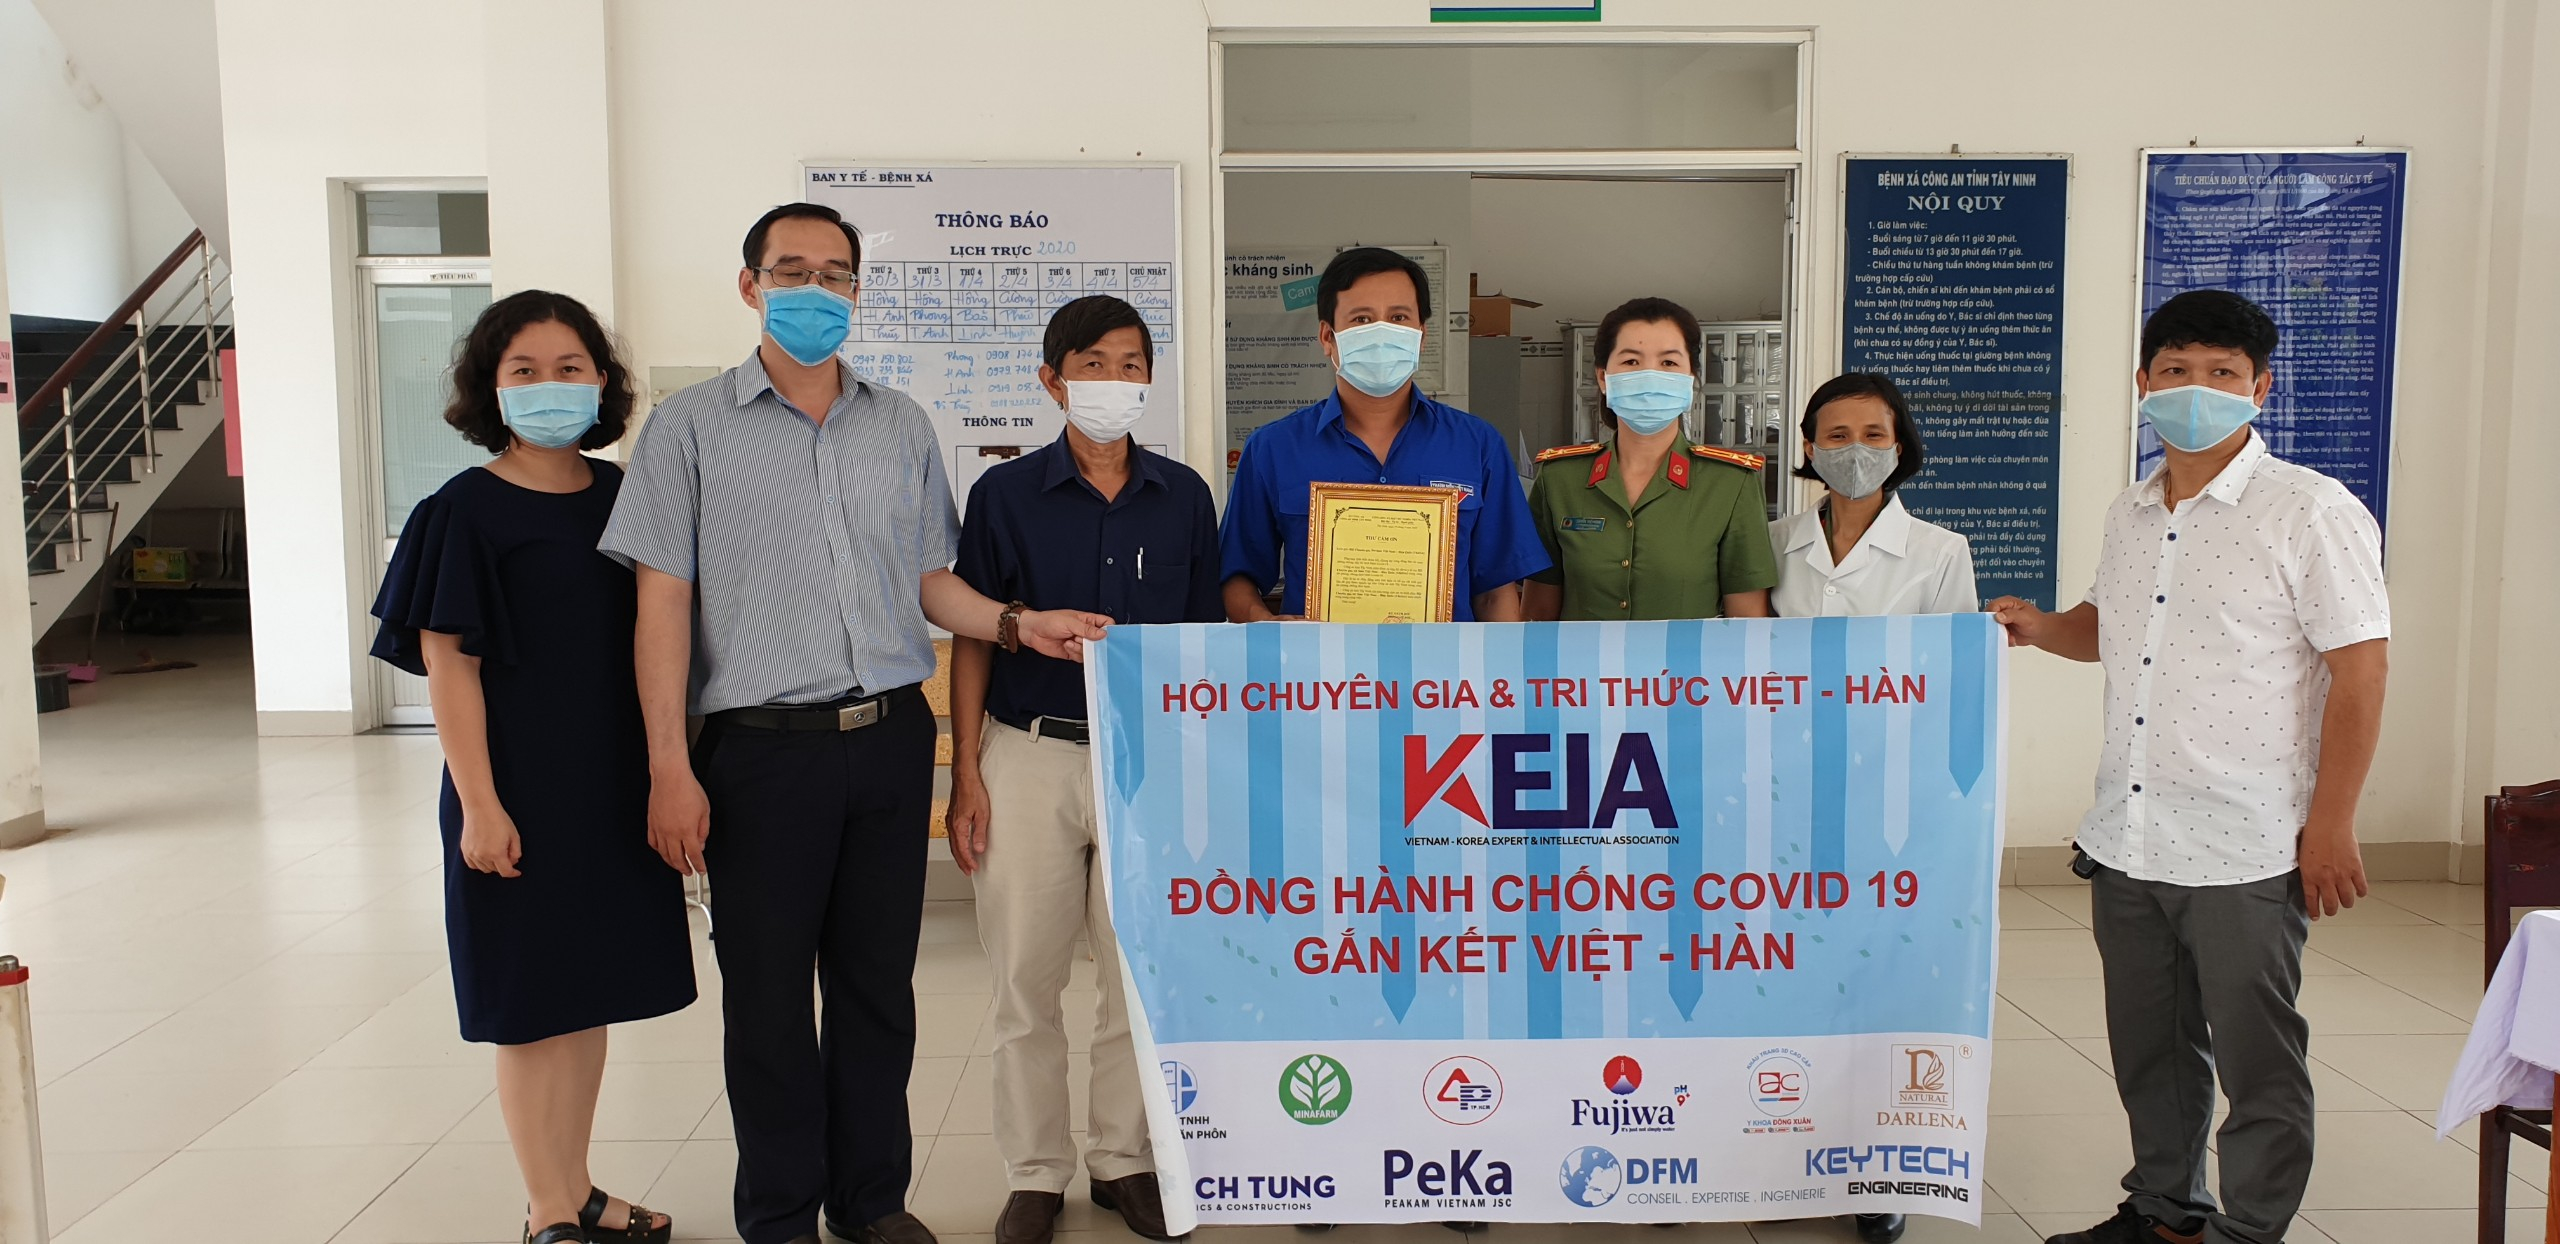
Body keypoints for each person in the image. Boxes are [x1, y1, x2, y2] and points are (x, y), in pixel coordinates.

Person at [599, 203, 1110, 1244]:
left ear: (857, 291)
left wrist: (1019, 622)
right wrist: (668, 766)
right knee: (769, 999)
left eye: (835, 274)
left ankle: (872, 1199)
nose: (816, 290)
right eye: (792, 270)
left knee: (878, 988)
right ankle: (782, 1211)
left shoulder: (900, 424)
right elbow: (660, 605)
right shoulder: (687, 428)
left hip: (886, 742)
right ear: (750, 285)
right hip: (757, 752)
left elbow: (930, 582)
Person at [1990, 290, 2389, 1244]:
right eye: (2176, 370)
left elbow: (2362, 670)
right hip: (2128, 835)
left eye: (2222, 373)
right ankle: (2165, 1209)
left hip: (2247, 840)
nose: (2197, 389)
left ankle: (2251, 1228)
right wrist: (2039, 628)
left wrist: (2333, 822)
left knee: (2258, 1056)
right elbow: (2109, 628)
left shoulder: (2310, 510)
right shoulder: (2132, 511)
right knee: (2151, 1050)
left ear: (2261, 389)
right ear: (2144, 383)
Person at [370, 290, 692, 1244]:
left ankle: (578, 1186)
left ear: (601, 382)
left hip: (612, 785)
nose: (550, 386)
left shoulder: (628, 495)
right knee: (526, 1003)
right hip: (513, 788)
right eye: (525, 371)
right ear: (491, 389)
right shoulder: (461, 511)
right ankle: (547, 1206)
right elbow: (449, 666)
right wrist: (479, 803)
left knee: (585, 993)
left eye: (569, 368)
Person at [944, 295, 1219, 1244]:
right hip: (1029, 754)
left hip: (1148, 761)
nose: (1113, 381)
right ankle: (1033, 1172)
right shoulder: (1005, 495)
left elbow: (1202, 643)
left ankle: (1123, 1160)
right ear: (1053, 379)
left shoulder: (1184, 496)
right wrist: (967, 773)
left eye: (1130, 364)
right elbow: (975, 634)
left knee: (1135, 975)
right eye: (1092, 363)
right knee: (1025, 979)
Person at [1220, 247, 1547, 623]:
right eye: (1361, 319)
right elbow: (1237, 576)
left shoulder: (1478, 446)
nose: (1381, 333)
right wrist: (1263, 621)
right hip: (1319, 662)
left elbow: (1495, 593)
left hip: (1442, 663)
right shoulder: (1272, 449)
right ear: (1327, 337)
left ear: (1421, 336)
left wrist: (1500, 661)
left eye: (1398, 318)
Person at [1522, 296, 1775, 621]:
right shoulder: (1559, 479)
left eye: (1668, 363)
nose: (1649, 376)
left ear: (1691, 378)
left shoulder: (1731, 483)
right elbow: (1538, 614)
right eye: (1631, 362)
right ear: (1603, 377)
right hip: (1579, 658)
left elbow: (1747, 622)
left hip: (1687, 658)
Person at [1768, 372, 1976, 619]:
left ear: (1897, 448)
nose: (1856, 449)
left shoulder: (1943, 551)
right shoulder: (1772, 541)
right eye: (1838, 436)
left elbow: (1955, 642)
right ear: (1810, 449)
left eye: (1873, 435)